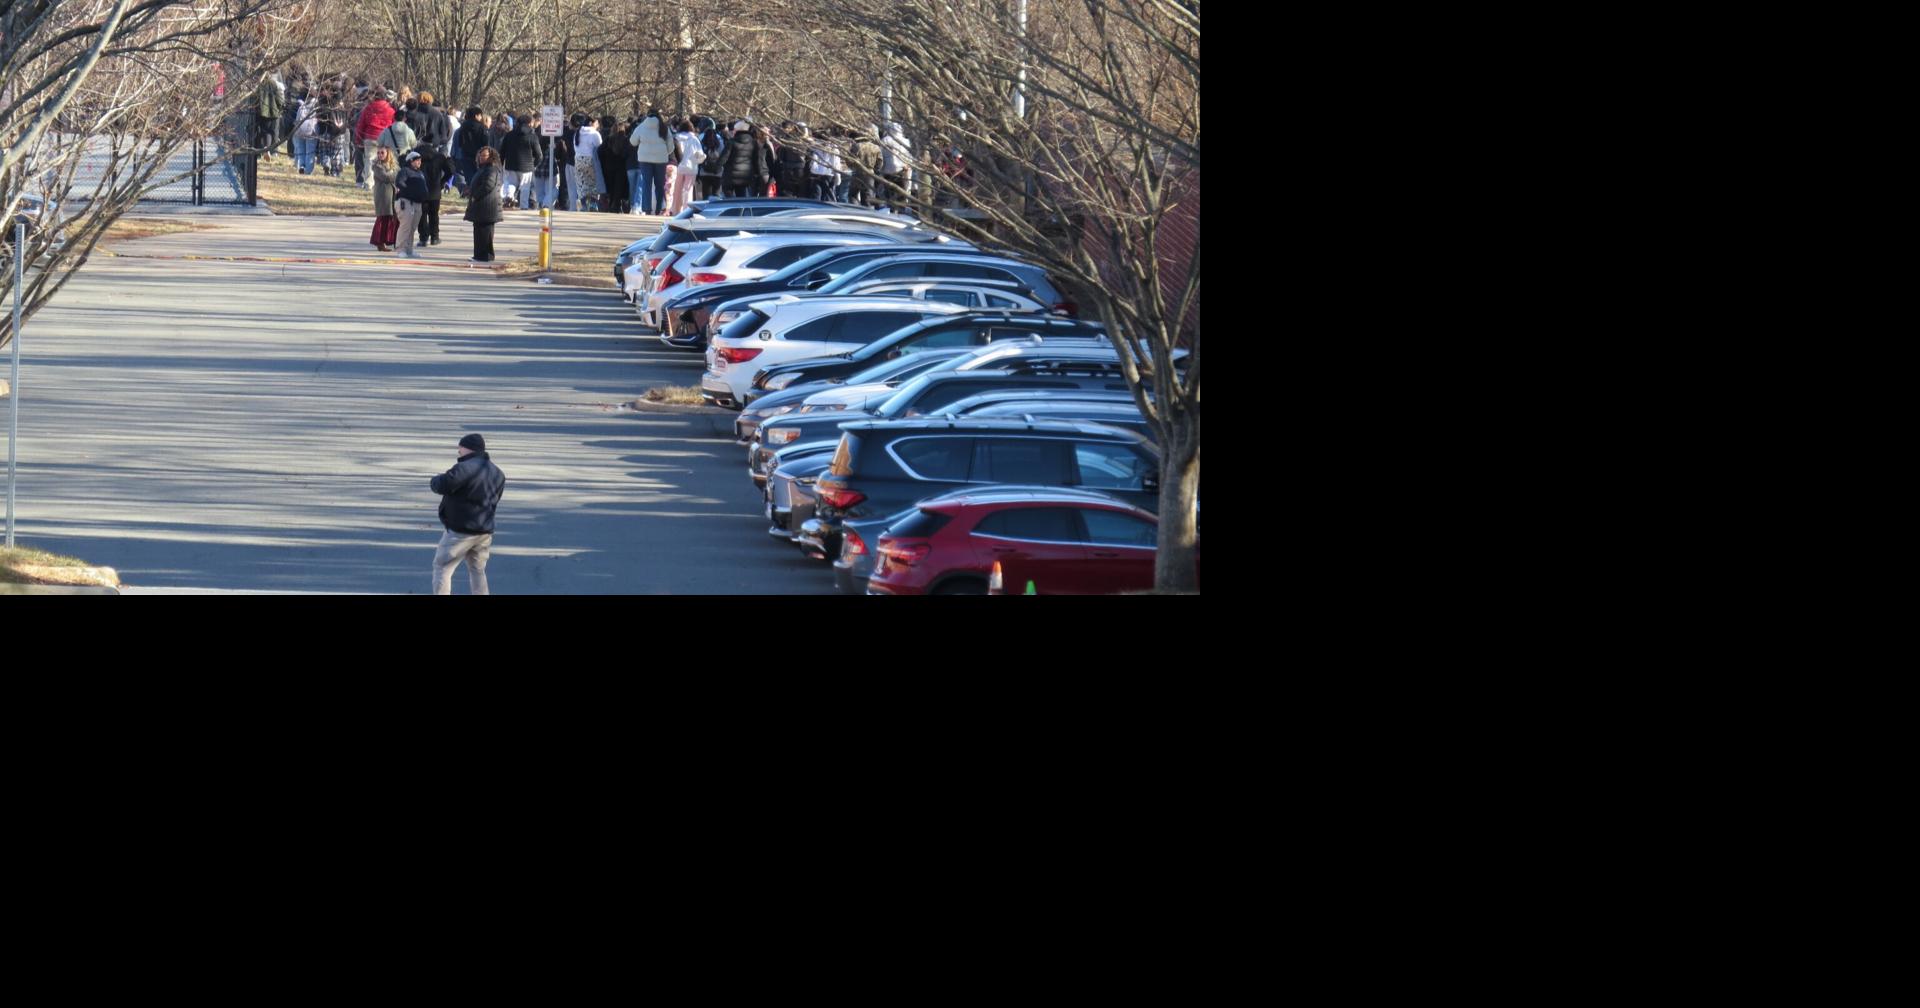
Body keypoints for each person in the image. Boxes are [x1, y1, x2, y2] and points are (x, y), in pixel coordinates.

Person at [431, 433, 505, 595]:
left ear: (468, 448)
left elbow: (443, 485)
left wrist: (434, 480)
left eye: (460, 447)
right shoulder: (498, 473)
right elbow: (496, 498)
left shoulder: (465, 468)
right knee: (477, 570)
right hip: (484, 531)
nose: (459, 451)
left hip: (460, 531)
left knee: (442, 567)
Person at [464, 146, 503, 262]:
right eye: (480, 156)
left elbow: (488, 185)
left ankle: (484, 256)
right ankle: (480, 255)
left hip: (488, 206)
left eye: (484, 156)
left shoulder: (491, 169)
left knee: (485, 232)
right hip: (482, 206)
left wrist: (475, 195)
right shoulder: (483, 169)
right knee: (479, 231)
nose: (481, 158)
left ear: (491, 156)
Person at [629, 107, 671, 214]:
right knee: (660, 184)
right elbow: (671, 146)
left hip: (644, 159)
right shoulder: (664, 127)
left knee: (646, 184)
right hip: (661, 160)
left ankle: (647, 209)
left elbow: (633, 141)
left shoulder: (641, 126)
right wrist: (665, 153)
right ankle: (659, 208)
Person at [412, 142, 452, 247]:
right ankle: (435, 237)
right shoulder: (439, 157)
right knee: (434, 214)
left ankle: (423, 238)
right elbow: (450, 170)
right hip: (435, 189)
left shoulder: (416, 157)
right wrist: (442, 182)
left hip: (420, 189)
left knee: (422, 214)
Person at [355, 89, 397, 190]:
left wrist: (358, 139)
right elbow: (393, 126)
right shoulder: (390, 110)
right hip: (385, 138)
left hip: (370, 136)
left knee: (369, 160)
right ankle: (384, 182)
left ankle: (369, 184)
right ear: (385, 97)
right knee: (386, 160)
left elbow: (361, 124)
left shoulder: (369, 108)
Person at [500, 112, 540, 209]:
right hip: (527, 167)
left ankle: (509, 196)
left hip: (510, 165)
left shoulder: (509, 135)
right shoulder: (532, 136)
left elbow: (502, 151)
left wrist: (501, 163)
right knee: (525, 188)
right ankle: (524, 207)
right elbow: (538, 154)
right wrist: (534, 164)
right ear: (529, 123)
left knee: (511, 183)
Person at [394, 150, 429, 258]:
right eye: (417, 160)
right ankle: (401, 249)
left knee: (412, 227)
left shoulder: (420, 173)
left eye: (420, 160)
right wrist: (410, 191)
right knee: (405, 226)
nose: (419, 162)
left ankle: (409, 249)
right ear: (411, 161)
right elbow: (399, 182)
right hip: (406, 202)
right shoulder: (405, 171)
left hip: (418, 203)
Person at [532, 119, 570, 211]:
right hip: (551, 167)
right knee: (552, 189)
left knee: (539, 190)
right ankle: (546, 204)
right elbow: (563, 154)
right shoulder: (557, 139)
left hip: (538, 167)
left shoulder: (537, 136)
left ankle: (542, 205)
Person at [597, 115, 631, 213]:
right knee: (619, 188)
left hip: (608, 167)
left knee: (611, 187)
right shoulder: (625, 139)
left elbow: (600, 151)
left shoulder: (608, 139)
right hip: (621, 168)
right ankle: (616, 204)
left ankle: (612, 205)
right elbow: (627, 153)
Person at [570, 114, 602, 211]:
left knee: (581, 184)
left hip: (578, 160)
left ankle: (583, 205)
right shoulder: (594, 134)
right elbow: (599, 147)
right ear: (590, 123)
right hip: (590, 160)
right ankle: (592, 205)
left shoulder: (577, 133)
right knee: (593, 184)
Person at [370, 147, 399, 251]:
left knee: (392, 218)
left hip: (392, 194)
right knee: (383, 217)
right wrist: (395, 173)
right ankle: (379, 242)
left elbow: (394, 176)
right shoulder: (377, 166)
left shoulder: (393, 165)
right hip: (382, 195)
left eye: (382, 152)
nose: (380, 154)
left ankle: (392, 241)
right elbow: (386, 177)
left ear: (388, 153)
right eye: (378, 153)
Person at [847, 125, 883, 207]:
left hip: (857, 172)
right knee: (867, 197)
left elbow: (849, 159)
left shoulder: (856, 146)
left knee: (852, 194)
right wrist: (875, 169)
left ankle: (855, 209)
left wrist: (852, 167)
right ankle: (867, 213)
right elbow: (880, 162)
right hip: (870, 173)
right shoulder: (876, 147)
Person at [880, 123, 912, 212]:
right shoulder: (905, 141)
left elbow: (881, 155)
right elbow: (909, 156)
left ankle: (892, 210)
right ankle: (901, 211)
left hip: (887, 171)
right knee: (901, 193)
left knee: (889, 194)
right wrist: (908, 165)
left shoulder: (885, 140)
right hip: (902, 170)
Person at [454, 105, 488, 185]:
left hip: (465, 153)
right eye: (480, 115)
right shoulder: (481, 127)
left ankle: (470, 189)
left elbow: (460, 141)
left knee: (469, 175)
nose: (481, 117)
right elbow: (485, 141)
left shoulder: (463, 126)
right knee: (478, 175)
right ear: (476, 115)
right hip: (478, 154)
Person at [696, 116, 728, 201]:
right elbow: (723, 155)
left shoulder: (702, 141)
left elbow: (699, 155)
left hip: (704, 171)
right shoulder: (720, 141)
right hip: (717, 172)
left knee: (706, 194)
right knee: (716, 194)